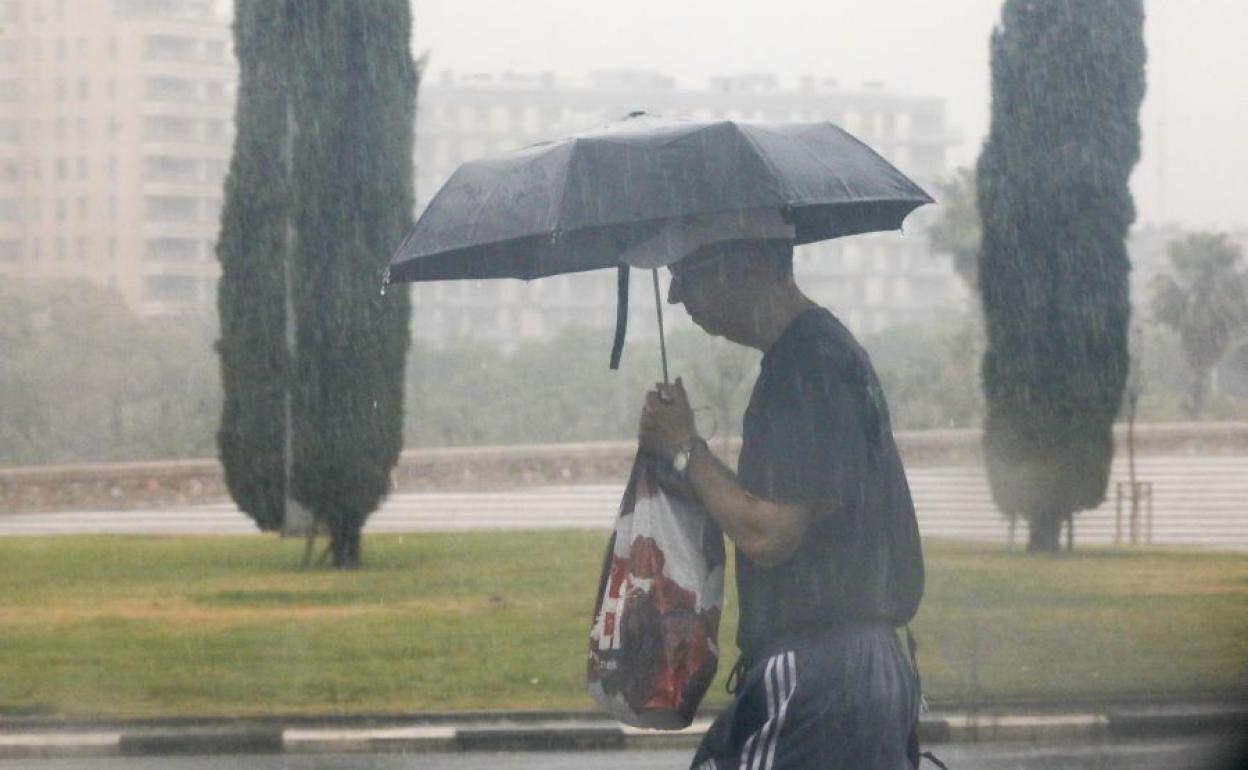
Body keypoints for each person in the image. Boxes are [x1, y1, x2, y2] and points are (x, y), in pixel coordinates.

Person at [638, 237, 927, 770]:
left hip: (821, 673)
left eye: (687, 271)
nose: (677, 295)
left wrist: (684, 446)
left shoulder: (806, 366)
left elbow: (769, 532)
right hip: (855, 667)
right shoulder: (821, 355)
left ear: (745, 264)